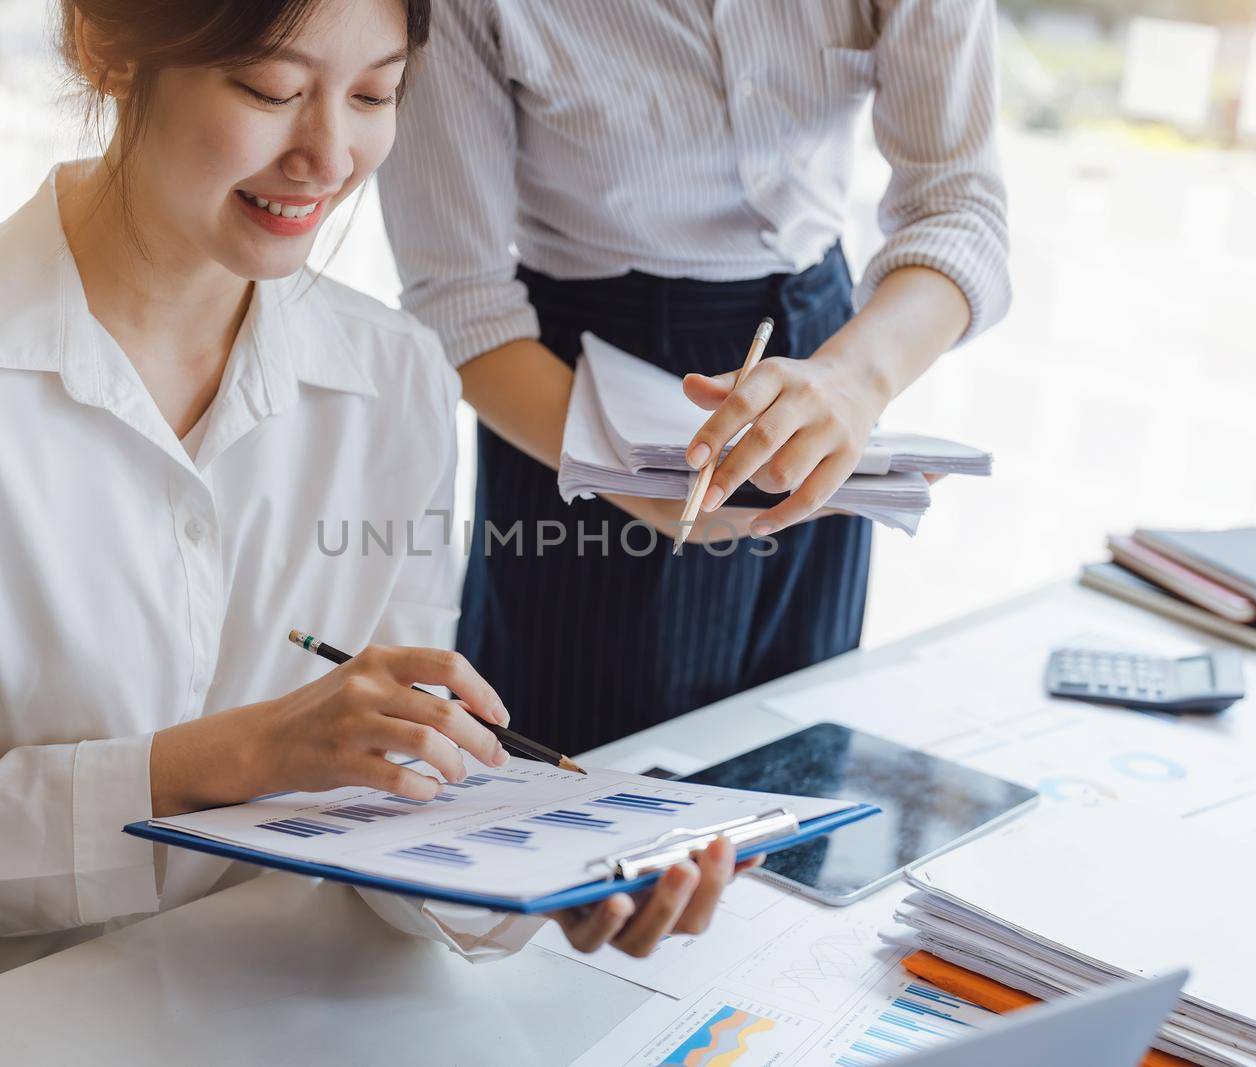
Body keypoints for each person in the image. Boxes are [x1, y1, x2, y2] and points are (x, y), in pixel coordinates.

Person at [0, 0, 754, 1055]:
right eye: (270, 90)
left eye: (374, 94)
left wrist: (531, 885)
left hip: (246, 988)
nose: (328, 153)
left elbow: (387, 787)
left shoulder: (393, 373)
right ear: (110, 53)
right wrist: (247, 753)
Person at [379, 2, 1011, 756]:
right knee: (579, 788)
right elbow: (459, 300)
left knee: (795, 761)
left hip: (822, 367)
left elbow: (959, 206)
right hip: (573, 399)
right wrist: (631, 477)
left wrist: (854, 380)